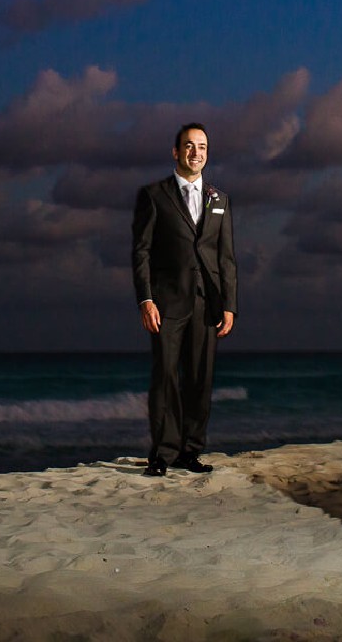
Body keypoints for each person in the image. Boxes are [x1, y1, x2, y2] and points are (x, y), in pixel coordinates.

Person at [132, 122, 237, 477]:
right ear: (176, 152)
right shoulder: (153, 195)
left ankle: (189, 451)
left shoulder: (220, 199)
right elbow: (141, 251)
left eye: (203, 147)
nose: (197, 153)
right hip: (165, 303)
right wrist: (146, 299)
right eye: (190, 146)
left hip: (207, 303)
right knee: (165, 377)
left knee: (200, 378)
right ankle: (162, 453)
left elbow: (226, 257)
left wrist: (229, 304)